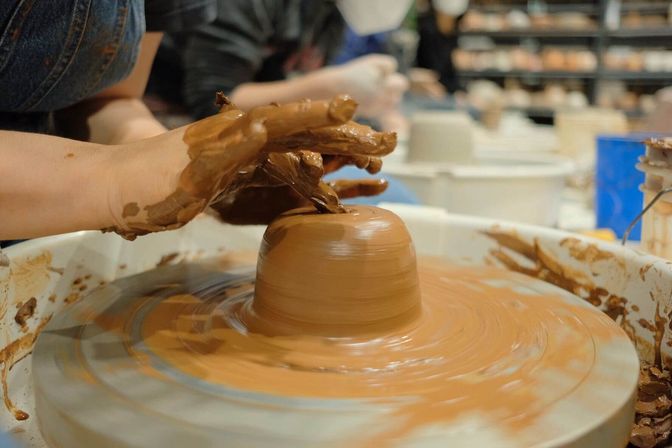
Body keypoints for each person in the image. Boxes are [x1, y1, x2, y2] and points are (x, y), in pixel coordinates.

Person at [0, 0, 393, 243]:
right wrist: (112, 180)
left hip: (57, 209)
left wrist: (204, 182)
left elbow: (109, 100)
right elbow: (210, 90)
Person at [149, 0, 412, 124]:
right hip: (160, 123)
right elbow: (213, 103)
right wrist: (327, 89)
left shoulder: (335, 15)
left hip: (248, 134)